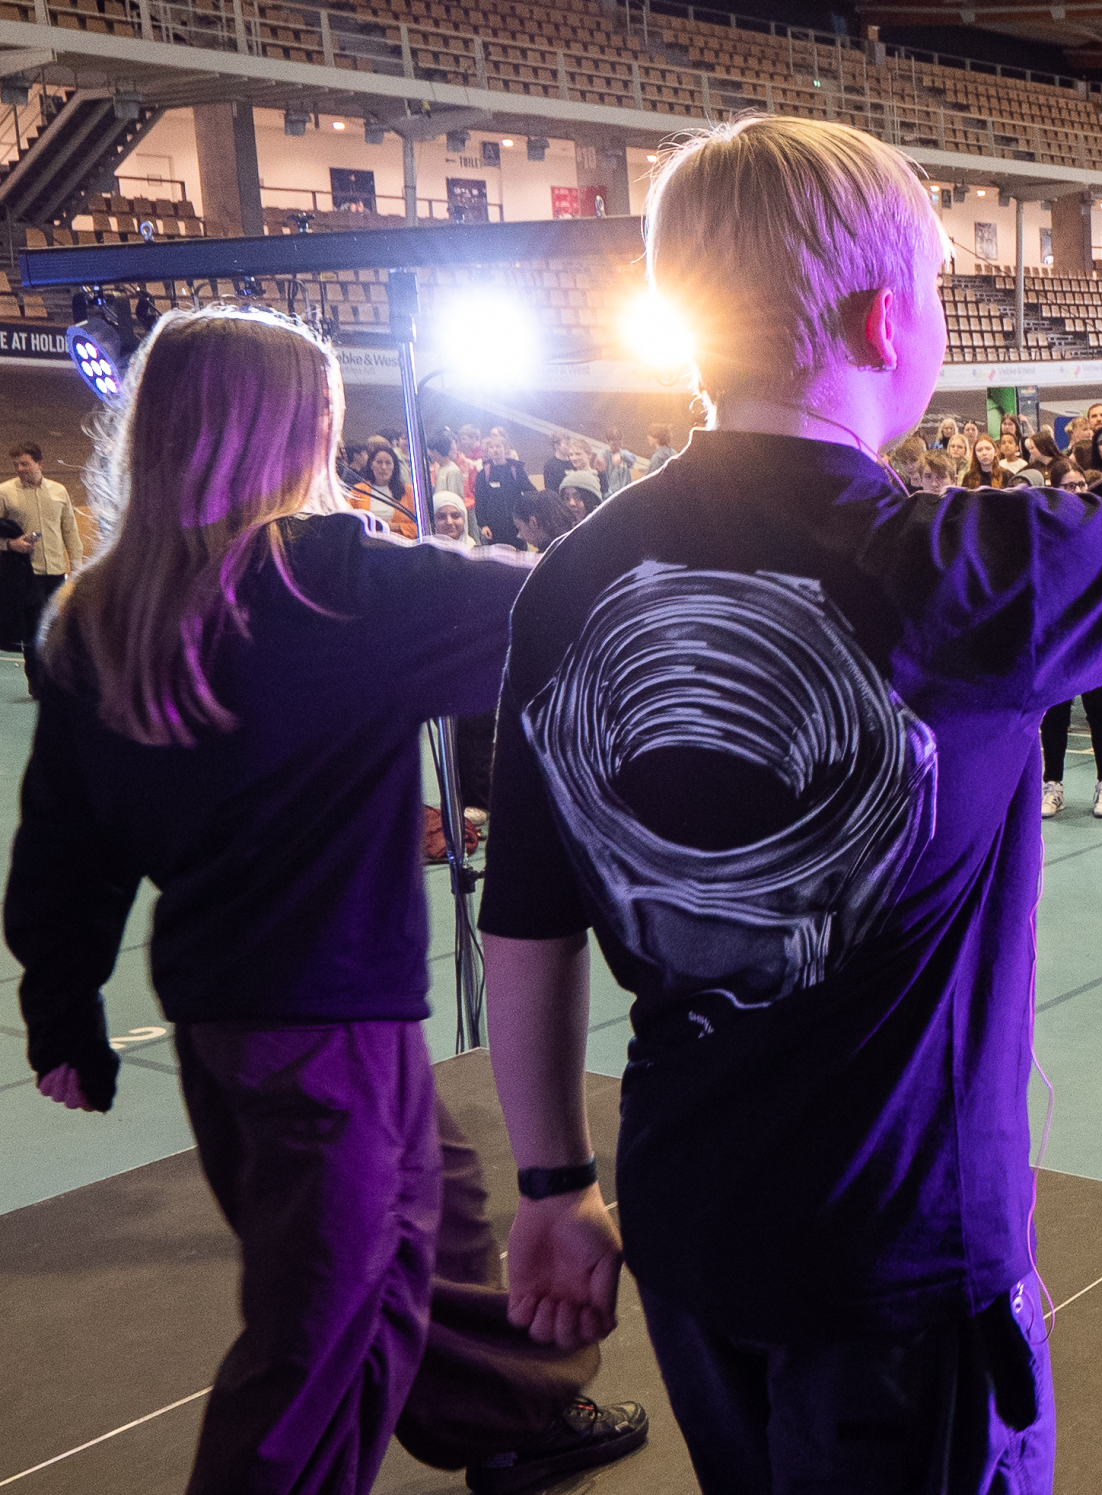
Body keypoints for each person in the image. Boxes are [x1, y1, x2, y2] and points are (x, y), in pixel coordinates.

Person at [474, 115, 1102, 1491]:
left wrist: (554, 1182)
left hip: (689, 1226)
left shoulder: (571, 578)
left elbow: (529, 924)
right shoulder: (966, 569)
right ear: (881, 320)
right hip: (896, 1261)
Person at [5, 308, 647, 1495]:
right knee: (321, 1328)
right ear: (301, 430)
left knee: (441, 1215)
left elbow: (65, 847)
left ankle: (503, 1414)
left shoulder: (98, 615)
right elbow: (564, 605)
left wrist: (62, 1009)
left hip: (234, 1018)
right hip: (326, 1038)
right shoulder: (339, 585)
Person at [2, 440, 83, 697]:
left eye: (25, 463)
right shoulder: (4, 493)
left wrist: (78, 569)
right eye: (16, 464)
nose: (19, 468)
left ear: (39, 464)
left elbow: (70, 531)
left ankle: (58, 680)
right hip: (26, 576)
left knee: (58, 629)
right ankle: (37, 683)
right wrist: (10, 544)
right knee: (34, 630)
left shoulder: (59, 491)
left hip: (57, 572)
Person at [1041, 681, 1102, 820]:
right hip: (1059, 659)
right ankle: (1053, 785)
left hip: (1095, 659)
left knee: (1100, 707)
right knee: (1054, 710)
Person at [473, 428, 535, 548]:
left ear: (505, 449)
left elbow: (531, 492)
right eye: (492, 447)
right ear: (488, 451)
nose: (495, 450)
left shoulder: (516, 470)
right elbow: (480, 501)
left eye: (498, 446)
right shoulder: (483, 474)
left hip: (516, 526)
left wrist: (527, 519)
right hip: (494, 529)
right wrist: (483, 525)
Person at [351, 441, 418, 539]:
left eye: (388, 463)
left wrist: (394, 526)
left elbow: (418, 527)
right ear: (371, 465)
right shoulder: (359, 490)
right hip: (366, 545)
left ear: (394, 467)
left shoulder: (408, 491)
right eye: (379, 462)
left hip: (399, 545)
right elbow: (350, 523)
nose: (383, 467)